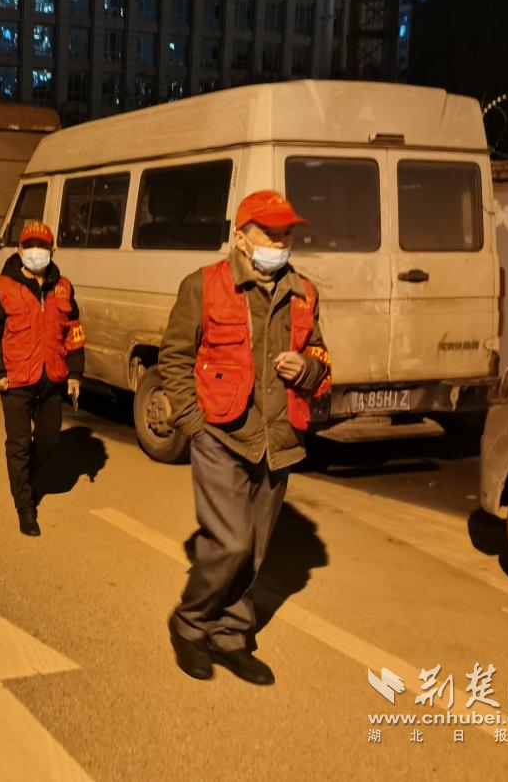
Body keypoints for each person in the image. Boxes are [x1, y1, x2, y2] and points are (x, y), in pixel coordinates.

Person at [158, 190, 331, 686]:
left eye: (287, 233)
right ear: (241, 237)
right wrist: (193, 423)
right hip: (220, 433)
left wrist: (307, 368)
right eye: (269, 233)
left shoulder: (304, 292)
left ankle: (231, 634)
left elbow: (322, 356)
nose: (280, 242)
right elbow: (174, 357)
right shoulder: (204, 285)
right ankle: (189, 624)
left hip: (280, 438)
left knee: (254, 550)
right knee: (231, 542)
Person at [0, 221, 85, 537]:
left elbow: (74, 331)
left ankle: (25, 479)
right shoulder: (1, 287)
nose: (36, 252)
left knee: (50, 440)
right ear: (20, 249)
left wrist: (75, 372)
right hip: (15, 380)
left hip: (51, 378)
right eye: (30, 246)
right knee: (19, 445)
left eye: (43, 246)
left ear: (53, 250)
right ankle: (25, 506)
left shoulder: (63, 286)